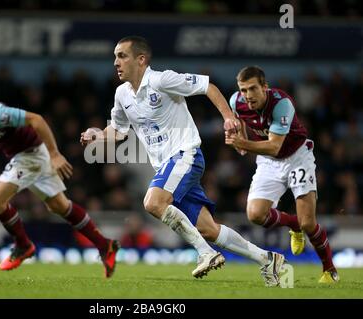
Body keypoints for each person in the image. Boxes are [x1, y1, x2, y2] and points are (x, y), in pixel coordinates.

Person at [81, 36, 285, 286]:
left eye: (122, 55)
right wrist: (98, 135)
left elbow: (207, 86)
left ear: (141, 60)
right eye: (115, 56)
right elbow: (119, 131)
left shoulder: (162, 79)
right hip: (168, 166)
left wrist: (228, 118)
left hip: (185, 155)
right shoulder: (122, 94)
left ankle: (206, 253)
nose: (116, 62)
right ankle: (268, 259)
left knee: (153, 202)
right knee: (209, 229)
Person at [0, 81, 119, 278]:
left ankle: (23, 245)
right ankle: (105, 245)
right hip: (28, 155)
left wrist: (54, 154)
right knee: (59, 206)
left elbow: (36, 120)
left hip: (30, 154)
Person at [225, 66, 339, 283]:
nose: (247, 96)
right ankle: (292, 224)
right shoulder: (236, 101)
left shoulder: (281, 104)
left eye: (252, 89)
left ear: (265, 88)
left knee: (309, 223)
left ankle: (329, 270)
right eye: (243, 90)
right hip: (269, 163)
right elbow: (239, 119)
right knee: (255, 214)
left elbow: (275, 146)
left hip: (297, 157)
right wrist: (239, 133)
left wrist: (243, 144)